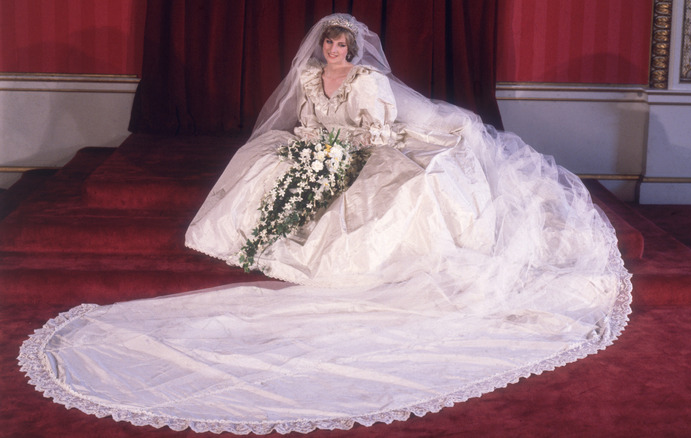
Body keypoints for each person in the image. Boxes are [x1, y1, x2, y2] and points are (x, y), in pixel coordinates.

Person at [19, 14, 632, 435]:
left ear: (354, 50)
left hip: (368, 145)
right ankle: (263, 238)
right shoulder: (312, 79)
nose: (334, 54)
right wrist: (311, 145)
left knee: (389, 187)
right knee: (264, 159)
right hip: (326, 147)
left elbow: (376, 129)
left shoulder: (369, 82)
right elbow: (307, 118)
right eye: (329, 47)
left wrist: (342, 149)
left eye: (342, 47)